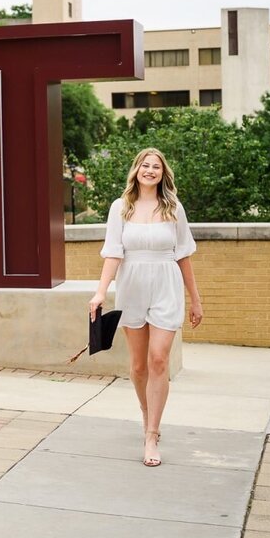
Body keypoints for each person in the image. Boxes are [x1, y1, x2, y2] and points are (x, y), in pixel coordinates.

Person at [89, 148, 202, 468]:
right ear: (136, 170)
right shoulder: (120, 208)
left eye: (156, 166)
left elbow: (184, 255)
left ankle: (152, 434)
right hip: (132, 287)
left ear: (163, 174)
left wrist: (196, 299)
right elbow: (113, 253)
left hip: (166, 285)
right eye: (145, 165)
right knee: (138, 365)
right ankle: (145, 411)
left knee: (158, 359)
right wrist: (100, 293)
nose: (150, 170)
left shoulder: (174, 208)